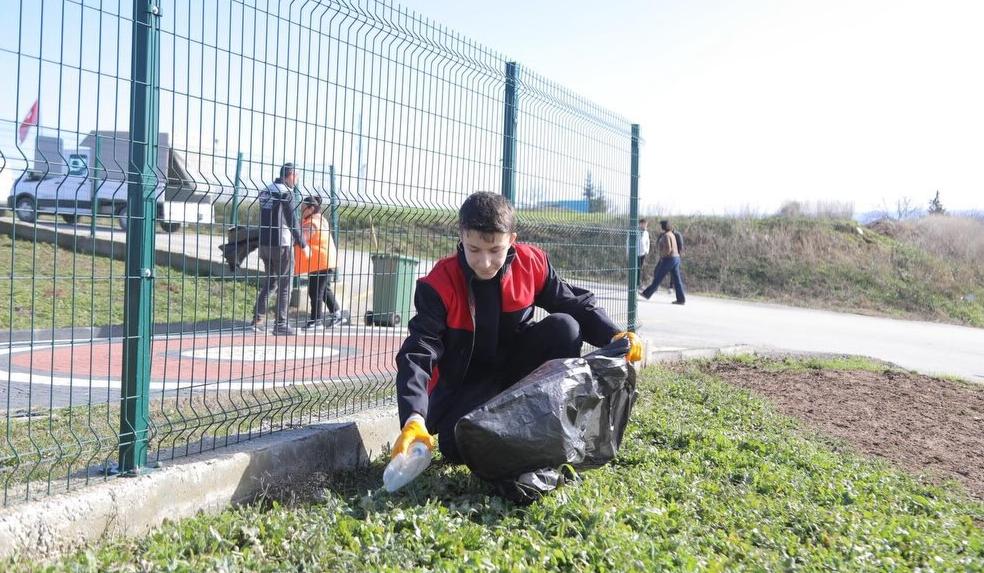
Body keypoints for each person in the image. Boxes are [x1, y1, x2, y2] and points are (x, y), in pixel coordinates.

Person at [390, 191, 643, 465]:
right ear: (461, 236)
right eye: (474, 249)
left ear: (512, 240)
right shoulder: (438, 284)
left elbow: (574, 304)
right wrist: (414, 416)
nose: (485, 262)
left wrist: (614, 334)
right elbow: (419, 350)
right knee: (455, 444)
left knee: (565, 327)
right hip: (465, 387)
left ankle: (551, 419)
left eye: (495, 250)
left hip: (517, 373)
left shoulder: (532, 264)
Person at [252, 163, 309, 336]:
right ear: (290, 175)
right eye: (296, 176)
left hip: (264, 243)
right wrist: (303, 244)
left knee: (270, 281)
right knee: (285, 284)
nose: (297, 180)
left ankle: (257, 318)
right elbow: (292, 221)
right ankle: (281, 324)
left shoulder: (266, 191)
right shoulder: (286, 193)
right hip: (282, 244)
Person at [294, 195, 343, 330]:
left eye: (303, 207)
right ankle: (337, 314)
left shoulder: (313, 222)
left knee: (315, 292)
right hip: (323, 262)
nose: (301, 210)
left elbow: (303, 237)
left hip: (322, 262)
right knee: (324, 290)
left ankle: (316, 321)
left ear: (311, 208)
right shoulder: (319, 219)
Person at [640, 219, 686, 304]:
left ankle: (646, 294)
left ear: (663, 226)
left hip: (669, 259)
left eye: (661, 225)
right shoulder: (671, 234)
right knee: (677, 280)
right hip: (676, 258)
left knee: (658, 277)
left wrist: (662, 256)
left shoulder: (666, 235)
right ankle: (681, 299)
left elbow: (668, 248)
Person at [634, 218, 650, 289]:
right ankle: (636, 283)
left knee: (640, 269)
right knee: (635, 269)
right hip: (635, 253)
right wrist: (628, 252)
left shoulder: (646, 233)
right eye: (644, 224)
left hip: (642, 253)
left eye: (646, 225)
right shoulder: (634, 231)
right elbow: (628, 241)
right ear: (640, 224)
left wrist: (647, 250)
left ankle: (638, 284)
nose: (645, 226)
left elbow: (647, 242)